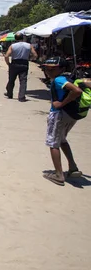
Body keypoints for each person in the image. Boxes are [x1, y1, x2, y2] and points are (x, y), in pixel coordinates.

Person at [42, 57, 83, 186]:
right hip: (70, 115)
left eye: (52, 69)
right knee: (62, 140)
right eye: (47, 68)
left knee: (53, 143)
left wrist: (62, 103)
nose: (49, 71)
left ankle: (59, 174)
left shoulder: (59, 80)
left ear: (61, 69)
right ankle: (72, 167)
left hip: (59, 114)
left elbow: (77, 91)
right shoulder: (67, 78)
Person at [4, 33, 38, 102]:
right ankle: (21, 97)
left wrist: (8, 64)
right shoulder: (28, 45)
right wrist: (30, 59)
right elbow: (35, 55)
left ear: (15, 38)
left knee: (11, 79)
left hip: (14, 63)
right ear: (23, 38)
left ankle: (9, 94)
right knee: (23, 81)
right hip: (24, 63)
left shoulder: (12, 46)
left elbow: (6, 55)